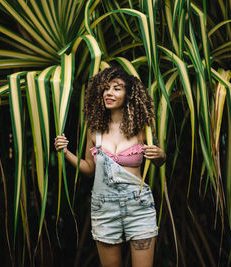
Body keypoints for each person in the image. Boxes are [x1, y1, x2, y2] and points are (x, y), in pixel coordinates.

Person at [55, 66, 166, 267]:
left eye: (117, 88)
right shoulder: (94, 129)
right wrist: (66, 152)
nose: (109, 93)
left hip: (138, 207)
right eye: (106, 88)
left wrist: (160, 154)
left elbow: (159, 159)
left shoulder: (142, 128)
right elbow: (90, 169)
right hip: (104, 208)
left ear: (129, 93)